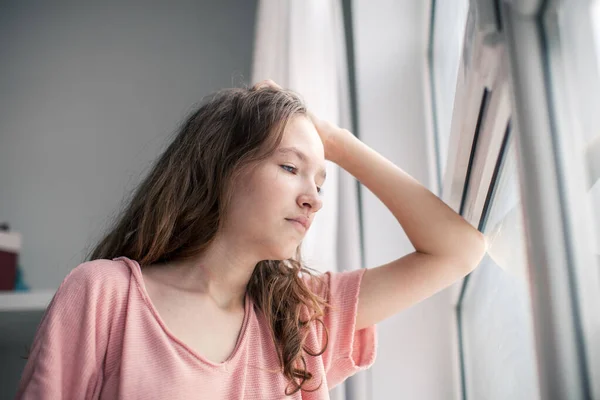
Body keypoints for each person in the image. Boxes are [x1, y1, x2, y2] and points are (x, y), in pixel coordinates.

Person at [16, 80, 486, 399]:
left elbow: (459, 250)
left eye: (319, 182)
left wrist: (334, 141)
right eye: (289, 168)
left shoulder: (299, 320)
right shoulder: (104, 294)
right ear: (219, 168)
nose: (313, 200)